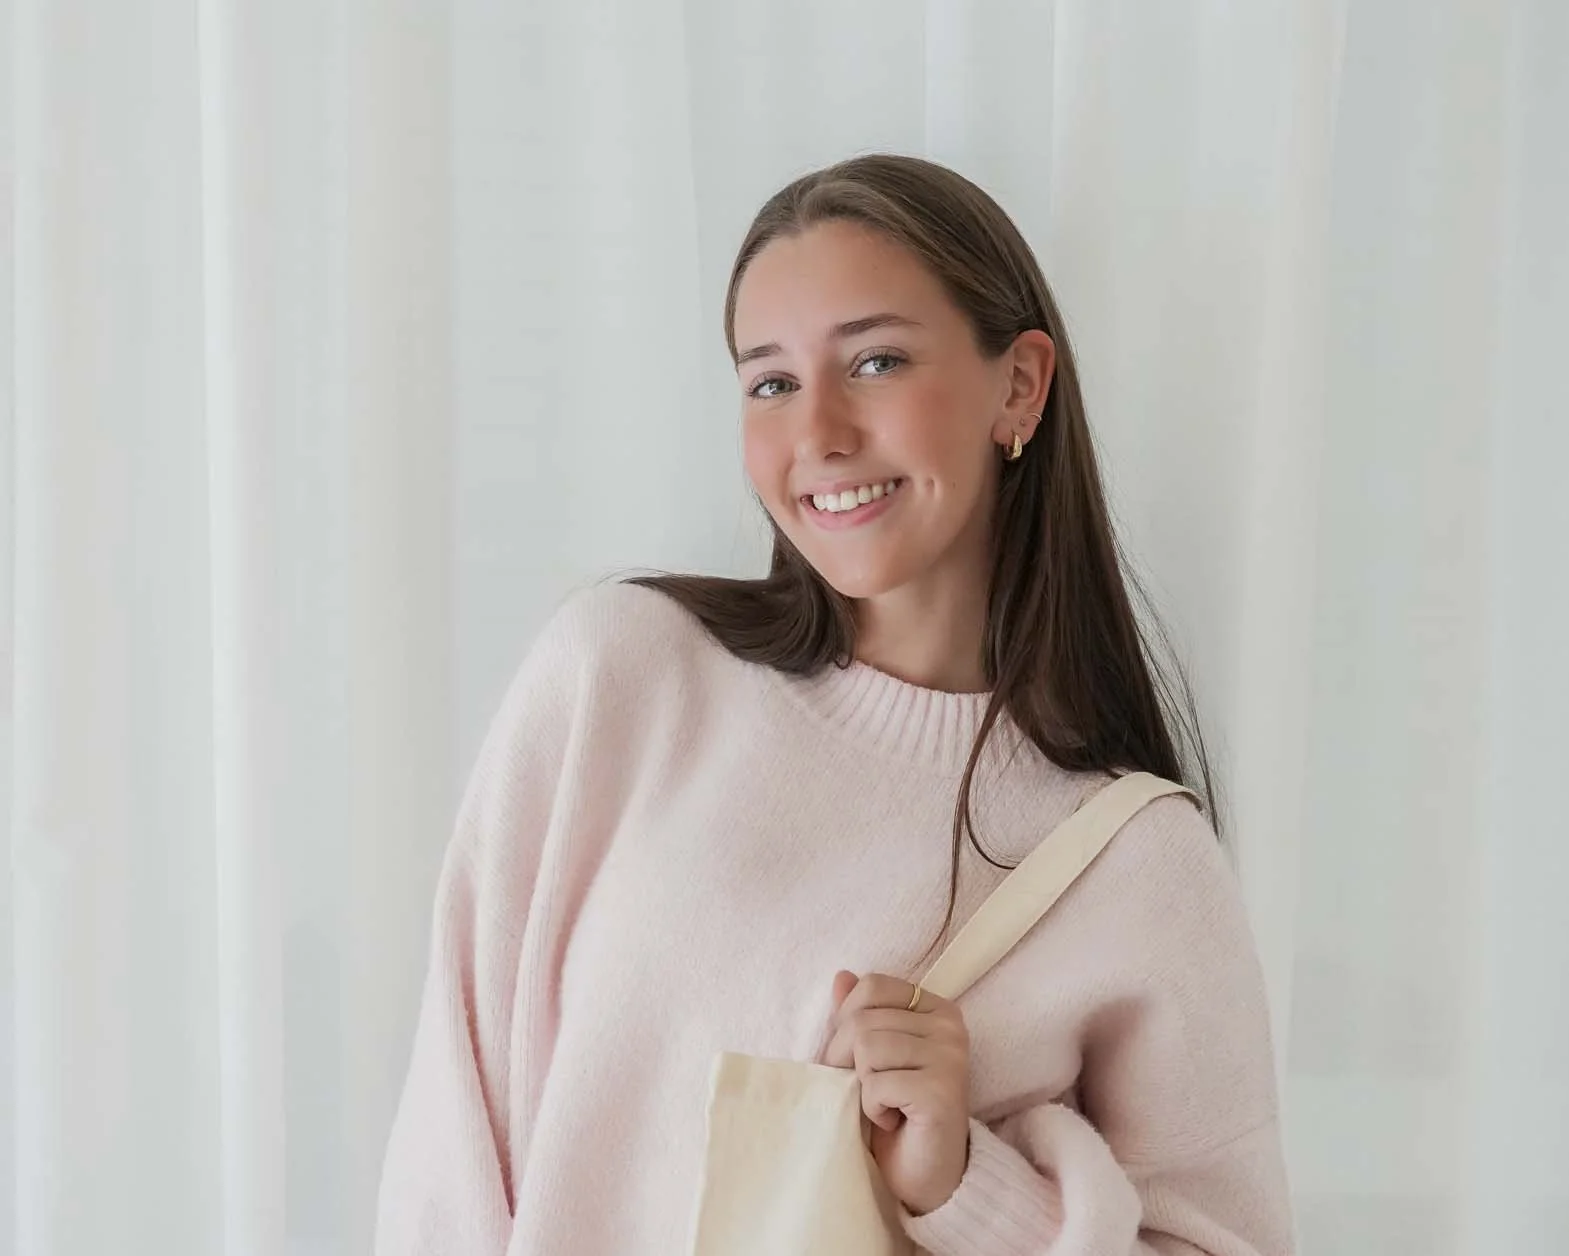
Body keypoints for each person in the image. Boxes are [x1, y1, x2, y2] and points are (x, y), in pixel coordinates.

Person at [374, 154, 1295, 1255]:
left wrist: (965, 1185)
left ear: (1020, 386)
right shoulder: (622, 679)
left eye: (876, 360)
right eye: (770, 381)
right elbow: (450, 1142)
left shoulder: (1135, 862)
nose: (817, 433)